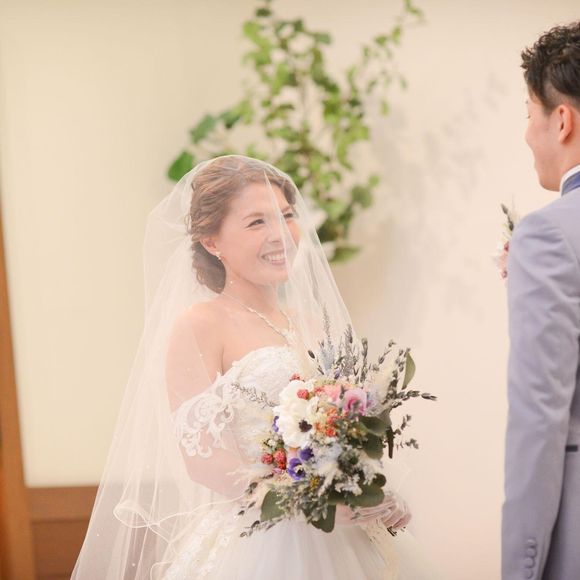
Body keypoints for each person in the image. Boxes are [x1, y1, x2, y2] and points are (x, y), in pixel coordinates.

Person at [72, 155, 434, 579]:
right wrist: (306, 502)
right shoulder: (201, 324)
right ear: (212, 241)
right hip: (261, 539)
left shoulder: (313, 323)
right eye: (256, 222)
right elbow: (202, 458)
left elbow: (345, 431)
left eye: (286, 216)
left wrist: (373, 488)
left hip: (348, 533)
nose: (280, 234)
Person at [503, 22, 580, 580]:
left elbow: (539, 417)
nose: (528, 134)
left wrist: (521, 568)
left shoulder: (550, 234)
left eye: (530, 114)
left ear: (562, 120)